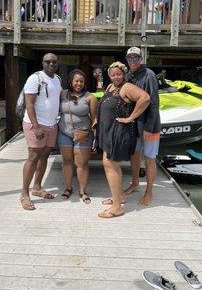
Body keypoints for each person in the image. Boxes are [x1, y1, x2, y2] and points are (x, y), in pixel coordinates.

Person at [97, 62, 150, 218]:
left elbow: (145, 98)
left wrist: (131, 118)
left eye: (118, 74)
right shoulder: (109, 87)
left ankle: (117, 207)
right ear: (109, 75)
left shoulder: (126, 87)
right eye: (113, 74)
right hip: (108, 131)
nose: (116, 77)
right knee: (111, 165)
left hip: (118, 131)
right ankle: (119, 197)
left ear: (124, 74)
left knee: (110, 165)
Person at [20, 53, 62, 210]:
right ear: (42, 63)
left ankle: (36, 187)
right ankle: (24, 193)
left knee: (45, 155)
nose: (51, 64)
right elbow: (29, 104)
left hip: (52, 125)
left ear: (57, 63)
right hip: (36, 124)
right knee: (33, 156)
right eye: (48, 61)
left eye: (54, 62)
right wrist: (36, 126)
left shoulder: (57, 79)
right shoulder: (35, 78)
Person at [124, 47, 161, 206]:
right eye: (130, 58)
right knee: (134, 155)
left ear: (141, 58)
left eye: (135, 58)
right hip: (134, 125)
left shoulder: (149, 75)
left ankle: (149, 192)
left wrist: (149, 127)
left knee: (150, 159)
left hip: (148, 126)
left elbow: (154, 103)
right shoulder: (128, 76)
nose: (132, 61)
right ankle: (135, 182)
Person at [58, 69, 98, 204]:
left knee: (82, 164)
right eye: (76, 81)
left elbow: (94, 119)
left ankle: (82, 191)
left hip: (83, 134)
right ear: (71, 81)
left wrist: (96, 138)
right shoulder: (62, 94)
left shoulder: (90, 97)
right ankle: (68, 188)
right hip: (64, 132)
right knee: (67, 161)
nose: (79, 83)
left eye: (81, 81)